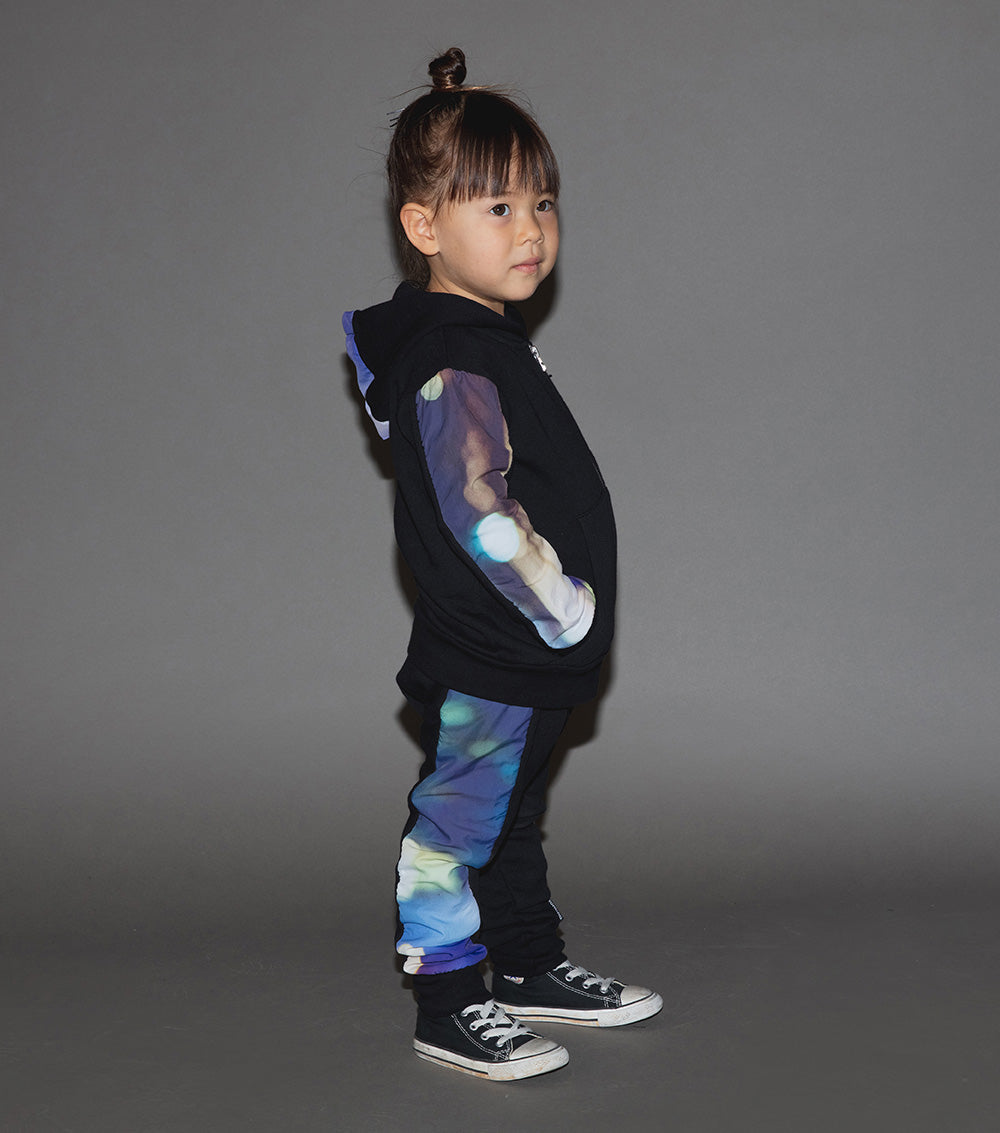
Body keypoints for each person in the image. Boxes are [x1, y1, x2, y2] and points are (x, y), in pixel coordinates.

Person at [344, 47, 661, 1081]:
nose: (530, 230)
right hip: (498, 646)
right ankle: (447, 1000)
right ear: (423, 227)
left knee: (513, 810)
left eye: (543, 203)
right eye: (497, 208)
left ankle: (524, 962)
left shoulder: (485, 338)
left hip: (525, 655)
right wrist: (563, 607)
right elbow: (481, 513)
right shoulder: (453, 356)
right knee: (458, 821)